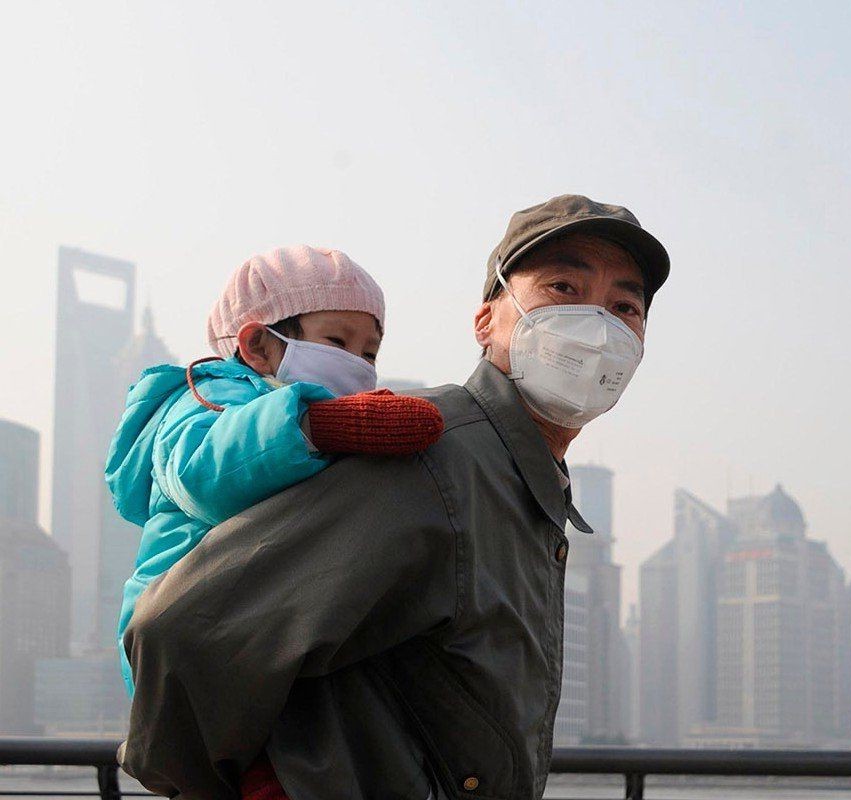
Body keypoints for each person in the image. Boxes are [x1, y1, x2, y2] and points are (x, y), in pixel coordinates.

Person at [119, 195, 670, 800]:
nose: (598, 327)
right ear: (487, 320)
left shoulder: (521, 480)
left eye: (625, 307)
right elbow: (177, 631)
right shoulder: (429, 453)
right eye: (563, 287)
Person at [106, 245, 444, 696]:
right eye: (338, 343)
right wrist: (313, 424)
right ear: (258, 347)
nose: (358, 366)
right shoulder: (207, 396)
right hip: (188, 636)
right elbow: (202, 474)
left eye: (369, 352)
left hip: (257, 633)